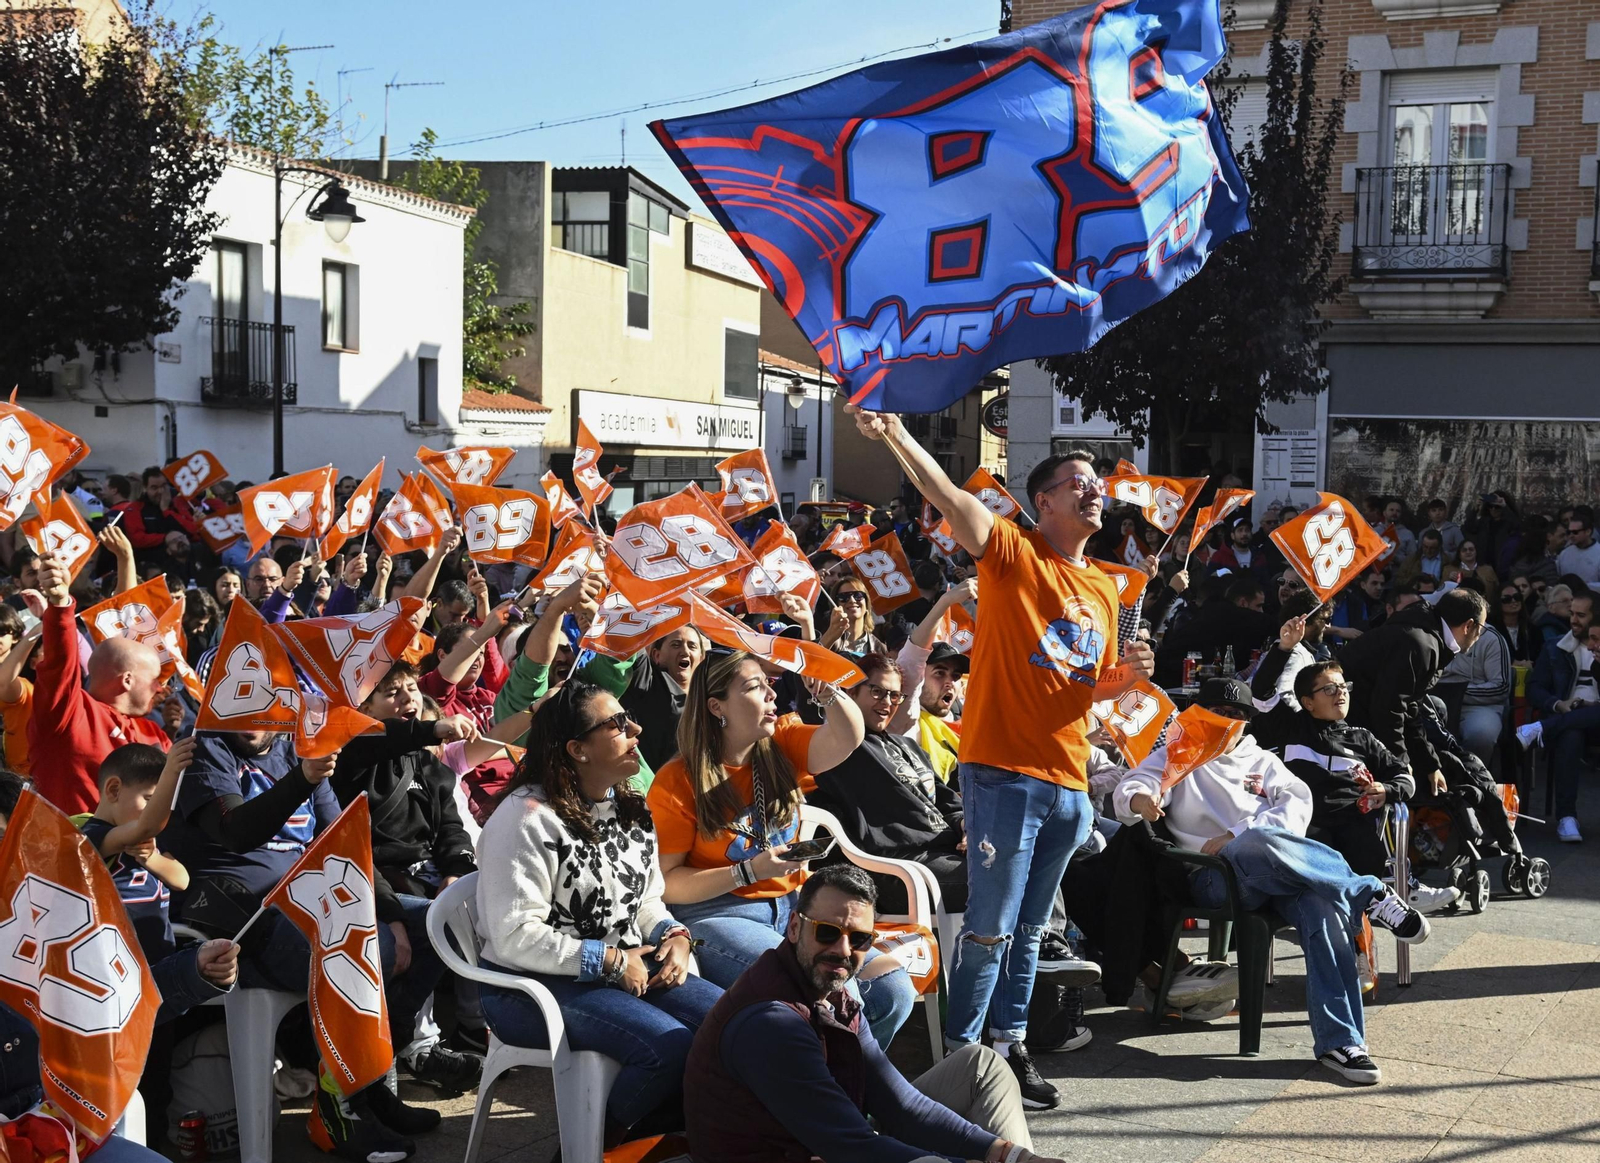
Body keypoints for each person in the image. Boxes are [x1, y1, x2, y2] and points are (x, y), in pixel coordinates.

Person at [851, 408, 1153, 1108]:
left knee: (1032, 925)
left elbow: (1090, 681)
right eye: (1076, 482)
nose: (1093, 491)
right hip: (1005, 771)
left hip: (1068, 781)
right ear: (1042, 500)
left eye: (1096, 483)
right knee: (988, 927)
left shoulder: (1105, 587)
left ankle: (1012, 1044)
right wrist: (896, 434)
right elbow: (950, 500)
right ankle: (962, 1063)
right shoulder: (1015, 553)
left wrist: (1129, 678)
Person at [1116, 678, 1431, 1085]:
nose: (1229, 722)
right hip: (1216, 877)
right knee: (1259, 840)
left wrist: (1239, 832)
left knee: (1323, 908)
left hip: (1279, 872)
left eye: (1238, 716)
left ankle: (1343, 1042)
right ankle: (1367, 891)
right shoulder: (1176, 754)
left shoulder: (1261, 760)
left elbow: (1298, 802)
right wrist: (1143, 799)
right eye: (1220, 713)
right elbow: (1129, 788)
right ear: (1199, 713)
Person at [171, 731, 446, 1161]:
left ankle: (368, 1083)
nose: (254, 718)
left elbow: (346, 841)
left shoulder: (296, 749)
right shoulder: (207, 750)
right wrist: (302, 777)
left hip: (320, 896)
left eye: (266, 703)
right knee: (360, 950)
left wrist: (391, 915)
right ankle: (338, 1109)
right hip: (250, 918)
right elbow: (237, 831)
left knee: (437, 926)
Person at [683, 864, 1061, 1163]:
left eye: (860, 939)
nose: (843, 950)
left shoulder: (834, 996)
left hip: (836, 1143)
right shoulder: (772, 1020)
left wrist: (1011, 1156)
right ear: (794, 926)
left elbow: (900, 1105)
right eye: (828, 932)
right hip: (813, 1151)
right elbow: (852, 1147)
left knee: (982, 1065)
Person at [476, 682, 720, 1143]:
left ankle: (669, 1143)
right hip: (528, 986)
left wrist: (675, 937)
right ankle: (591, 1149)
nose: (637, 729)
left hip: (627, 963)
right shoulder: (525, 817)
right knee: (668, 1050)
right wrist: (606, 961)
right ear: (577, 749)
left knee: (731, 1023)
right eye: (617, 724)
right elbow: (513, 934)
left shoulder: (629, 808)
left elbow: (647, 899)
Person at [648, 651, 918, 1049]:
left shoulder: (781, 743)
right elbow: (668, 885)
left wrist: (826, 692)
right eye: (755, 687)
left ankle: (843, 1088)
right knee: (837, 994)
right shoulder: (675, 782)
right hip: (719, 913)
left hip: (795, 909)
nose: (771, 695)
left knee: (895, 992)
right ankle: (835, 1100)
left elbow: (849, 736)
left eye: (769, 684)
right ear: (716, 706)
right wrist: (748, 872)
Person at [0, 770, 235, 1163]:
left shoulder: (45, 915)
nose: (16, 856)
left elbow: (111, 1004)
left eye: (21, 839)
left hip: (61, 1134)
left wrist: (195, 971)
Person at [332, 667, 488, 1091]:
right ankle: (409, 1044)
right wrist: (435, 728)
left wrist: (455, 872)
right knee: (434, 926)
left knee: (475, 913)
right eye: (391, 693)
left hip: (430, 878)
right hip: (373, 880)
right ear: (364, 708)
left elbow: (453, 829)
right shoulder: (352, 754)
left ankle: (455, 1031)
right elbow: (357, 848)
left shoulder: (431, 767)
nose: (407, 698)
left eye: (412, 689)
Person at [807, 653, 967, 911]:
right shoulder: (841, 746)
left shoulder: (910, 747)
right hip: (901, 867)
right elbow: (823, 699)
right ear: (852, 692)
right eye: (877, 691)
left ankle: (1045, 945)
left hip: (946, 852)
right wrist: (828, 694)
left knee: (1032, 861)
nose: (887, 702)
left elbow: (948, 804)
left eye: (895, 695)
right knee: (1005, 880)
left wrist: (965, 826)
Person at [30, 549, 170, 815]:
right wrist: (60, 605)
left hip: (139, 855)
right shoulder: (68, 713)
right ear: (127, 680)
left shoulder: (155, 734)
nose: (160, 688)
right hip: (68, 852)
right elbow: (60, 664)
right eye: (154, 680)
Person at [1337, 587, 1491, 805]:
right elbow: (1389, 709)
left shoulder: (1424, 633)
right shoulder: (1420, 643)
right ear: (1469, 626)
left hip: (1358, 722)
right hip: (1346, 728)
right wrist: (1400, 764)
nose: (1479, 636)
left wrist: (1430, 765)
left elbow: (1410, 709)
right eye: (1481, 628)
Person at [1519, 591, 1599, 842]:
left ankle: (1542, 727)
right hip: (1569, 720)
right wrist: (1556, 704)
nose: (1573, 619)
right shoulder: (1556, 647)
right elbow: (1535, 688)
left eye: (1581, 615)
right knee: (1571, 734)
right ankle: (1567, 818)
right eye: (1572, 613)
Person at [1437, 604, 1511, 768]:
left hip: (1477, 703)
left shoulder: (1490, 637)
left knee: (1481, 734)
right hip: (1435, 699)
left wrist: (1457, 693)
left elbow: (1501, 687)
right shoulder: (1432, 630)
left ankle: (1474, 780)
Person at [821, 575, 888, 656]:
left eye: (858, 595)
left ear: (867, 604)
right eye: (844, 597)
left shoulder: (880, 649)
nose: (852, 600)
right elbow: (813, 660)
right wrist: (830, 636)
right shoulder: (828, 641)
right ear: (835, 605)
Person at [1491, 582, 1536, 664]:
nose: (1513, 601)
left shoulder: (1532, 629)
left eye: (1517, 597)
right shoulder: (1490, 629)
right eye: (1507, 599)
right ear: (1498, 602)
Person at [1558, 509, 1600, 587]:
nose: (1571, 535)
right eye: (1569, 532)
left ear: (1588, 532)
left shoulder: (1598, 553)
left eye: (1575, 532)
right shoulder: (1564, 554)